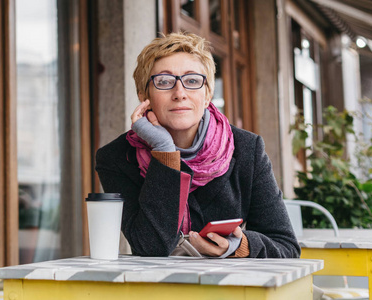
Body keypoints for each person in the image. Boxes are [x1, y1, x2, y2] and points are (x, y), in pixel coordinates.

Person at [95, 32, 300, 258]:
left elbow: (286, 247)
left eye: (192, 81)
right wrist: (164, 151)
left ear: (208, 94)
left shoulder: (247, 149)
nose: (180, 93)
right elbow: (151, 247)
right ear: (144, 95)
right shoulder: (116, 158)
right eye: (164, 82)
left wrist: (240, 246)